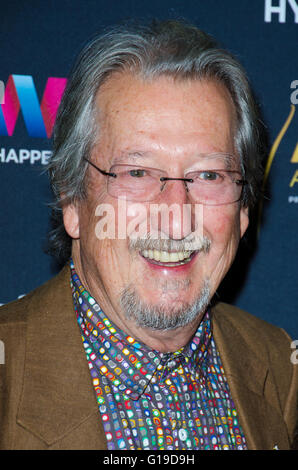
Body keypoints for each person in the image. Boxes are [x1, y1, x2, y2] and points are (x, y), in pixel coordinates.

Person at [0, 19, 297, 451]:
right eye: (137, 172)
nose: (176, 219)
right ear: (72, 202)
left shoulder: (280, 367)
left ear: (243, 210)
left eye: (209, 174)